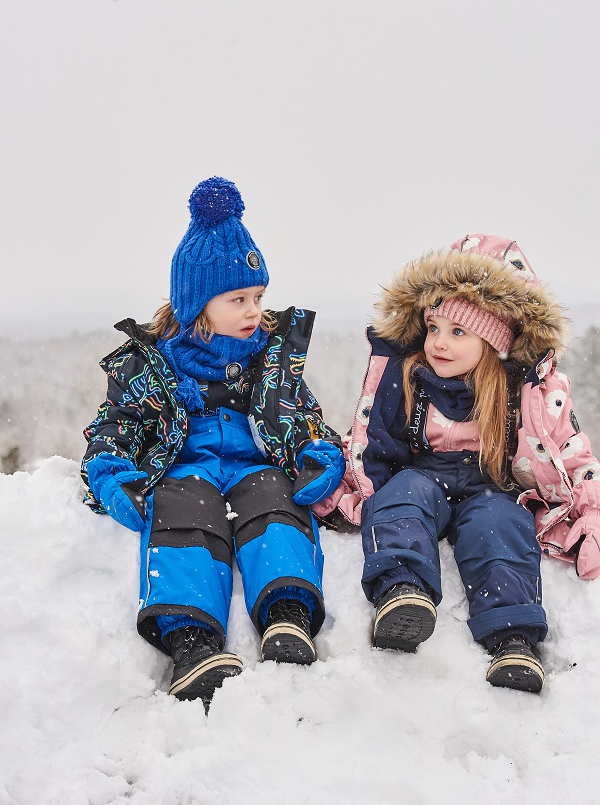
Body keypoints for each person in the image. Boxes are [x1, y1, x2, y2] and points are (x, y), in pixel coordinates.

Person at [81, 177, 345, 712]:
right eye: (239, 298)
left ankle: (286, 614)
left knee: (277, 500)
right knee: (183, 511)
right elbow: (116, 425)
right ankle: (191, 641)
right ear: (198, 304)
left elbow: (305, 418)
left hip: (253, 466)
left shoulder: (270, 360)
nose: (254, 310)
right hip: (187, 469)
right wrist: (112, 474)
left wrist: (318, 452)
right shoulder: (151, 365)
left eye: (259, 297)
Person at [348, 233, 600, 694]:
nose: (439, 343)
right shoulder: (409, 378)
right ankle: (403, 592)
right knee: (400, 498)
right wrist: (359, 489)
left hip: (493, 486)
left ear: (492, 341)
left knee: (501, 528)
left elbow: (571, 450)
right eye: (434, 328)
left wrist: (591, 510)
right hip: (424, 473)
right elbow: (373, 440)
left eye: (458, 332)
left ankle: (513, 637)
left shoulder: (523, 394)